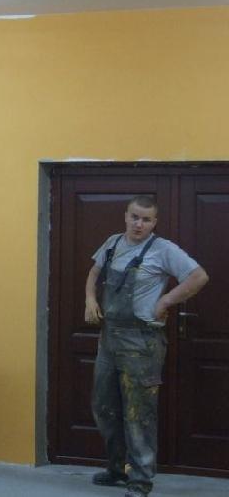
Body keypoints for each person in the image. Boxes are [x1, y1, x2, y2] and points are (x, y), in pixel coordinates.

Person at [84, 195, 208, 497]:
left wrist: (165, 301)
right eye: (135, 217)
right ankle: (117, 469)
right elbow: (94, 272)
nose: (139, 224)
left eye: (146, 219)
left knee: (138, 414)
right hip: (109, 339)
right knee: (104, 408)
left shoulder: (163, 249)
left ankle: (140, 481)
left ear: (154, 222)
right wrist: (89, 299)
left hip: (142, 343)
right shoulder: (112, 243)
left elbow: (198, 276)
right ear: (126, 216)